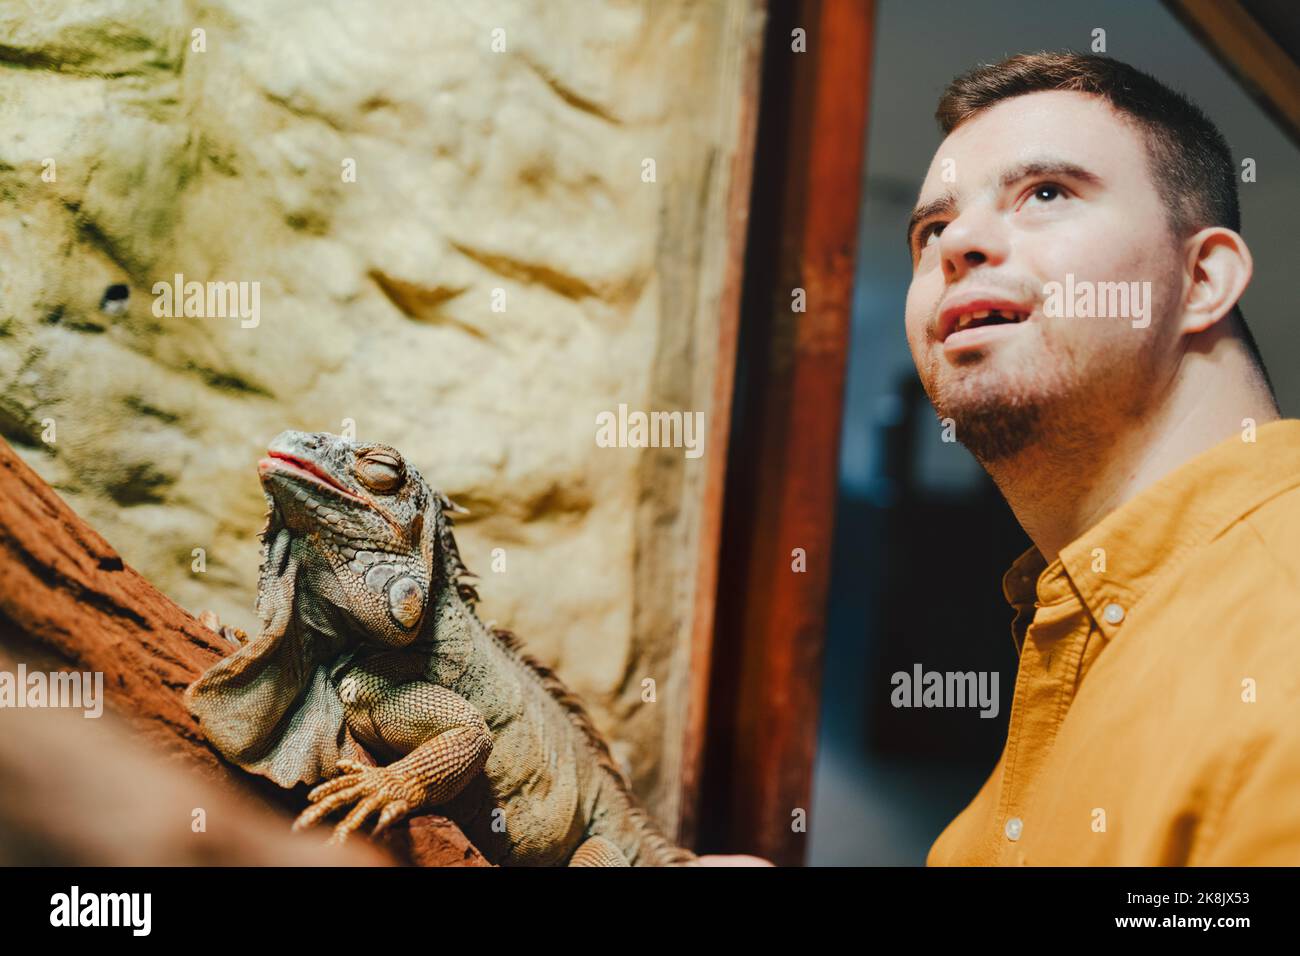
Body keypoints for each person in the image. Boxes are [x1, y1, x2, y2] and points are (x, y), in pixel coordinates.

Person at [904, 51, 1299, 864]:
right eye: (931, 230)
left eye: (1046, 193)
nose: (960, 242)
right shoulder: (1082, 630)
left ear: (1202, 279)